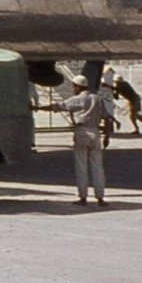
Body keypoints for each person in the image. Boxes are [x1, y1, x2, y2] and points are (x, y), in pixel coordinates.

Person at [49, 77, 106, 207]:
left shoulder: (76, 100)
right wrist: (107, 136)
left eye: (74, 86)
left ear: (78, 87)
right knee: (97, 167)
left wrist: (36, 107)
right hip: (95, 132)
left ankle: (83, 197)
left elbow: (58, 106)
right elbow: (107, 117)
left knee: (81, 166)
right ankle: (100, 198)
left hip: (82, 132)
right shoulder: (97, 99)